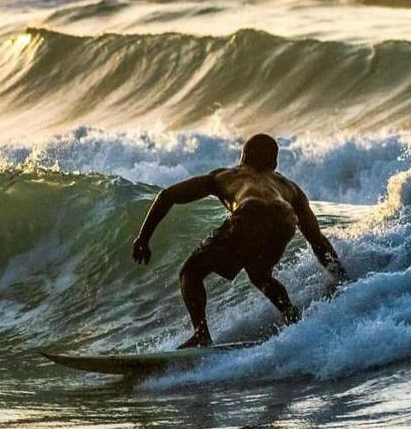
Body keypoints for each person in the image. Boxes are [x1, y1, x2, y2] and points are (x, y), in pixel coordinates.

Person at [132, 133, 347, 348]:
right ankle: (294, 321)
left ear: (243, 157)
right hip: (284, 219)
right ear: (274, 163)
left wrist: (143, 238)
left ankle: (201, 334)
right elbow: (317, 241)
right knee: (260, 274)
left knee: (191, 272)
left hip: (249, 213)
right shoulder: (290, 188)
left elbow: (168, 195)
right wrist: (342, 277)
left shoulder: (227, 175)